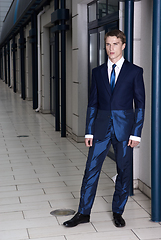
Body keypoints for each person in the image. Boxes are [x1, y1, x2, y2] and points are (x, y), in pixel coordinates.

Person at [63, 29, 145, 228]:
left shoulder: (135, 71)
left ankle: (118, 211)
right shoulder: (97, 72)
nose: (111, 48)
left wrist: (137, 133)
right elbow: (92, 103)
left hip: (125, 130)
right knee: (91, 170)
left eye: (115, 44)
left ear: (123, 45)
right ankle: (83, 212)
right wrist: (88, 130)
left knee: (124, 171)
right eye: (108, 44)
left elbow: (140, 104)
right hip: (100, 128)